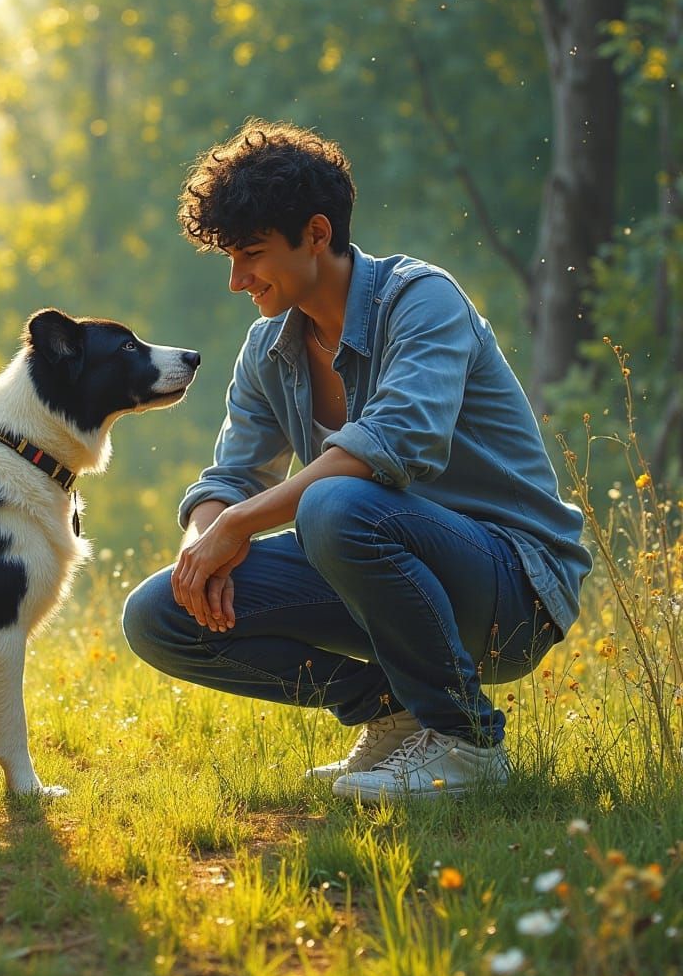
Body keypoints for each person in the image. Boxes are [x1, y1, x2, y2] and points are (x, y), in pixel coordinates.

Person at [121, 118, 592, 802]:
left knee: (334, 503)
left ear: (317, 234)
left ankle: (465, 742)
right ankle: (395, 715)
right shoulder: (267, 348)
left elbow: (392, 445)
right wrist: (206, 544)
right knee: (160, 613)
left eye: (250, 253)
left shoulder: (421, 300)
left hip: (511, 590)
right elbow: (229, 478)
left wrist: (242, 525)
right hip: (385, 581)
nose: (236, 280)